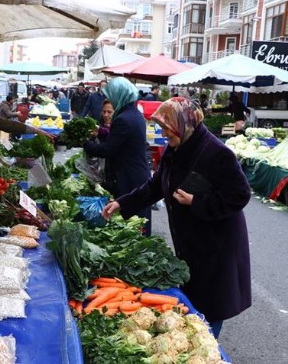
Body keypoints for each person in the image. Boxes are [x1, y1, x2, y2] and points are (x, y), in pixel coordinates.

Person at [102, 97, 251, 338]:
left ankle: (207, 349)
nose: (163, 134)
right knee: (194, 301)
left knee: (210, 305)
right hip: (192, 242)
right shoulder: (177, 147)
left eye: (166, 128)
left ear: (184, 123)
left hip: (216, 244)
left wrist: (197, 202)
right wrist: (122, 202)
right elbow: (155, 186)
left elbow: (240, 194)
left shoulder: (217, 153)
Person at [84, 77, 152, 236]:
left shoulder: (123, 118)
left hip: (130, 178)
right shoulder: (134, 114)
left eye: (112, 95)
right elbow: (120, 140)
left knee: (132, 226)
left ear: (119, 95)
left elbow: (108, 149)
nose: (111, 100)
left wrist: (86, 144)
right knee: (138, 223)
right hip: (137, 175)